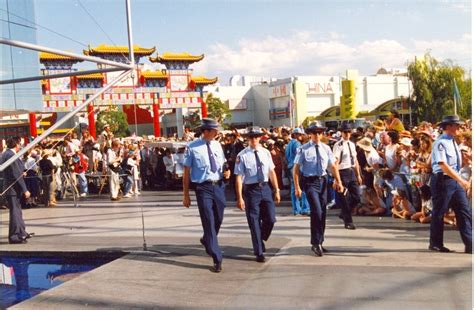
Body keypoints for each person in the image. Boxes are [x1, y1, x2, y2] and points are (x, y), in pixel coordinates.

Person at [182, 118, 231, 273]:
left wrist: (227, 172)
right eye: (215, 130)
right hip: (202, 188)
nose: (217, 133)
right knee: (208, 220)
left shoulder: (217, 145)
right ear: (206, 131)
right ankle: (216, 256)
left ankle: (207, 239)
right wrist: (186, 195)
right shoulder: (192, 147)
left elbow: (222, 164)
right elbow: (186, 173)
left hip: (218, 186)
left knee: (219, 217)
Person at [293, 121, 344, 256]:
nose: (317, 135)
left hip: (323, 181)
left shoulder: (326, 148)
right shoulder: (303, 149)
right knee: (316, 210)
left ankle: (320, 241)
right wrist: (297, 187)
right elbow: (296, 169)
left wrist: (338, 181)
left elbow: (332, 166)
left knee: (322, 212)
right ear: (310, 134)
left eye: (319, 133)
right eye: (314, 133)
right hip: (310, 182)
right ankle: (315, 242)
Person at [234, 127, 281, 263]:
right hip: (251, 190)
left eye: (256, 137)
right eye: (251, 137)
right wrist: (239, 197)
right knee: (254, 222)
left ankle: (261, 237)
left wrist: (276, 189)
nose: (254, 140)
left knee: (271, 218)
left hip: (265, 188)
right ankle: (259, 251)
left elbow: (271, 172)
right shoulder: (242, 155)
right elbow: (239, 177)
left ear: (260, 138)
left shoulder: (266, 153)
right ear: (248, 139)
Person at [429, 115, 472, 254]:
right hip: (443, 180)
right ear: (448, 126)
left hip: (454, 180)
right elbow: (443, 164)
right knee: (439, 212)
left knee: (464, 211)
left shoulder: (452, 142)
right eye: (456, 125)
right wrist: (461, 180)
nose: (459, 128)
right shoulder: (440, 142)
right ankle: (435, 243)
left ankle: (470, 243)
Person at [0, 137, 32, 244]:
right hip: (12, 189)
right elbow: (15, 174)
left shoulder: (6, 154)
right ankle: (14, 236)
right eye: (20, 144)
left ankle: (21, 232)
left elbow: (15, 171)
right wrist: (25, 189)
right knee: (15, 212)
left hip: (12, 188)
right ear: (17, 144)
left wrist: (21, 171)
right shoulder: (10, 155)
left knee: (17, 211)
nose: (20, 146)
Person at [332, 124, 362, 230]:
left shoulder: (352, 144)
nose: (347, 134)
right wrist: (336, 179)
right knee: (344, 198)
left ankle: (344, 212)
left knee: (357, 197)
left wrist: (358, 174)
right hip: (341, 172)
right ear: (342, 133)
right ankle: (348, 221)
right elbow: (335, 163)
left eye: (349, 132)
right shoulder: (338, 145)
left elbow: (355, 160)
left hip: (350, 171)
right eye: (345, 132)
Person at [285, 128, 310, 216]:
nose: (301, 136)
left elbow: (287, 157)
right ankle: (305, 208)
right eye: (299, 134)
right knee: (302, 188)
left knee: (294, 188)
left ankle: (296, 209)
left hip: (290, 166)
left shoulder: (289, 144)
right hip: (297, 167)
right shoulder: (297, 144)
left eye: (301, 134)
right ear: (295, 135)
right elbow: (300, 157)